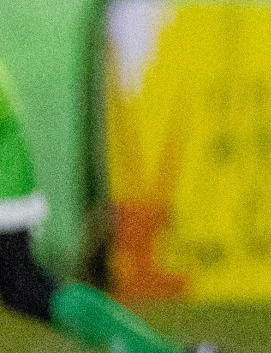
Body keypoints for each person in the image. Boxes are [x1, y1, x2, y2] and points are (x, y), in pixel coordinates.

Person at [0, 59, 214, 353]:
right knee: (23, 287)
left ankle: (158, 351)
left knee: (24, 285)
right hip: (9, 172)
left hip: (5, 177)